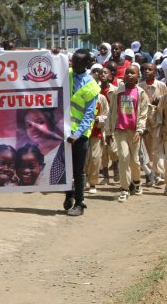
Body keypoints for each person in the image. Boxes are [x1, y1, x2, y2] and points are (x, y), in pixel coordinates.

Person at [63, 49, 99, 217]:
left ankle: (79, 203)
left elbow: (89, 114)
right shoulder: (67, 73)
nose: (74, 64)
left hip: (80, 135)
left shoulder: (92, 86)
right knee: (65, 168)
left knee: (78, 171)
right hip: (63, 131)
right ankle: (68, 194)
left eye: (78, 62)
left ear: (87, 64)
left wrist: (77, 134)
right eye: (73, 60)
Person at [106, 64, 150, 203]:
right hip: (120, 130)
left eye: (133, 73)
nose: (130, 75)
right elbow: (111, 111)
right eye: (127, 73)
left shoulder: (141, 93)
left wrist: (139, 130)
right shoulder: (118, 92)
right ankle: (124, 189)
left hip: (134, 131)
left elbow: (143, 114)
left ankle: (137, 181)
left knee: (134, 160)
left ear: (138, 76)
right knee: (124, 157)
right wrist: (108, 131)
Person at [16, 108, 66, 186]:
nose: (34, 129)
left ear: (50, 122)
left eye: (40, 122)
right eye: (29, 125)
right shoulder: (27, 152)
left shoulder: (65, 150)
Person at [138, 62, 167, 187]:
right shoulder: (139, 87)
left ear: (155, 72)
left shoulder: (161, 86)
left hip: (157, 121)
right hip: (144, 121)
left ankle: (158, 174)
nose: (147, 72)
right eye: (144, 70)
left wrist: (159, 102)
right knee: (146, 149)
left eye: (150, 70)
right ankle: (149, 174)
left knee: (157, 148)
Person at [85, 65, 110, 194]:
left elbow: (106, 114)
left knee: (95, 158)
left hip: (96, 133)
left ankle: (93, 183)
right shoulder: (81, 97)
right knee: (84, 158)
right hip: (82, 133)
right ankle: (83, 179)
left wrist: (99, 119)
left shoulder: (102, 98)